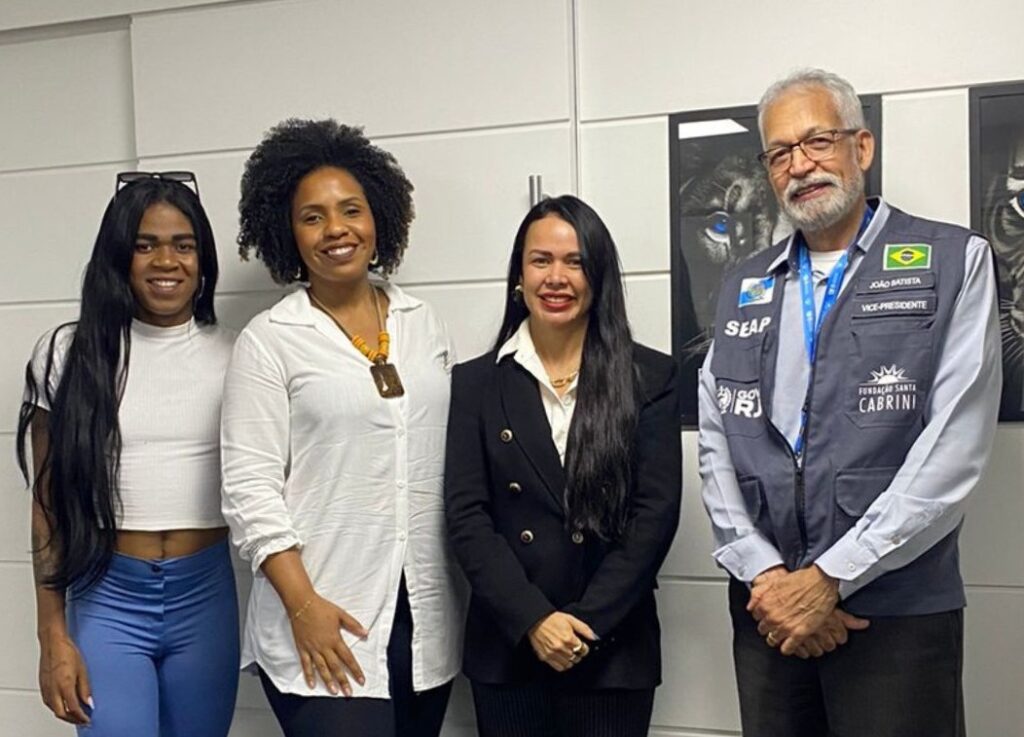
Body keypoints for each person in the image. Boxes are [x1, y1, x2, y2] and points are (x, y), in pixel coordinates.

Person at [698, 68, 1002, 737]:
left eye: (817, 141)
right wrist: (767, 575)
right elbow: (717, 442)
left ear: (861, 147)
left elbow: (954, 448)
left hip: (895, 611)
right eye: (780, 153)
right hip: (769, 612)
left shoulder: (954, 261)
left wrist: (831, 578)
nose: (800, 166)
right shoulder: (742, 285)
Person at [222, 119, 464, 737]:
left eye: (351, 210)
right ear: (288, 232)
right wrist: (304, 608)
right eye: (313, 217)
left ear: (378, 217)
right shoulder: (271, 340)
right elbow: (249, 492)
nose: (336, 229)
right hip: (322, 620)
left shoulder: (422, 322)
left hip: (423, 620)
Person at [444, 195, 682, 737]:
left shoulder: (649, 377)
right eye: (541, 260)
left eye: (575, 262)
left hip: (611, 646)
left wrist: (584, 623)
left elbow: (654, 514)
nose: (557, 277)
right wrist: (533, 620)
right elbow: (467, 517)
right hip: (509, 644)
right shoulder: (476, 383)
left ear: (599, 276)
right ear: (519, 275)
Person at [16, 172, 239, 736]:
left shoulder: (238, 353)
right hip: (107, 594)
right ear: (119, 256)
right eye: (145, 245)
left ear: (203, 259)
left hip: (205, 594)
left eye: (183, 245)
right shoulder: (67, 352)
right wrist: (51, 635)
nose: (167, 261)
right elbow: (47, 502)